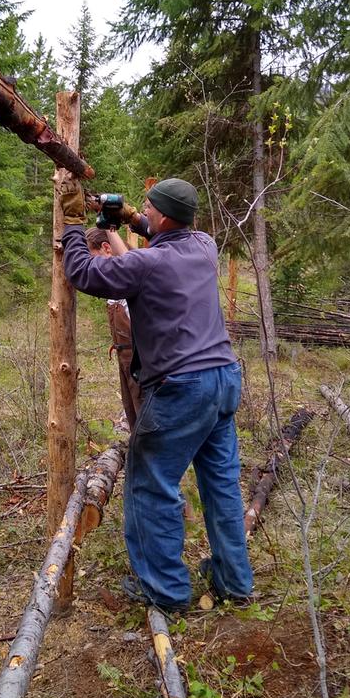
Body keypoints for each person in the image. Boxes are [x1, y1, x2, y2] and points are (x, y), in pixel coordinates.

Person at [59, 176, 253, 612]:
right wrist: (114, 222)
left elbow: (84, 271)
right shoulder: (204, 246)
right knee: (221, 484)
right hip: (223, 380)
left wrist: (74, 222)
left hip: (182, 389)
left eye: (147, 209)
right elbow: (155, 232)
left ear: (164, 216)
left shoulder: (147, 265)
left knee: (150, 485)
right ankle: (234, 581)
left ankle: (165, 592)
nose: (141, 215)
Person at [85, 227, 143, 431]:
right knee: (133, 414)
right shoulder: (113, 279)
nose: (93, 266)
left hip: (141, 362)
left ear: (106, 248)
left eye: (93, 258)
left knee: (146, 418)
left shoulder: (134, 276)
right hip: (124, 359)